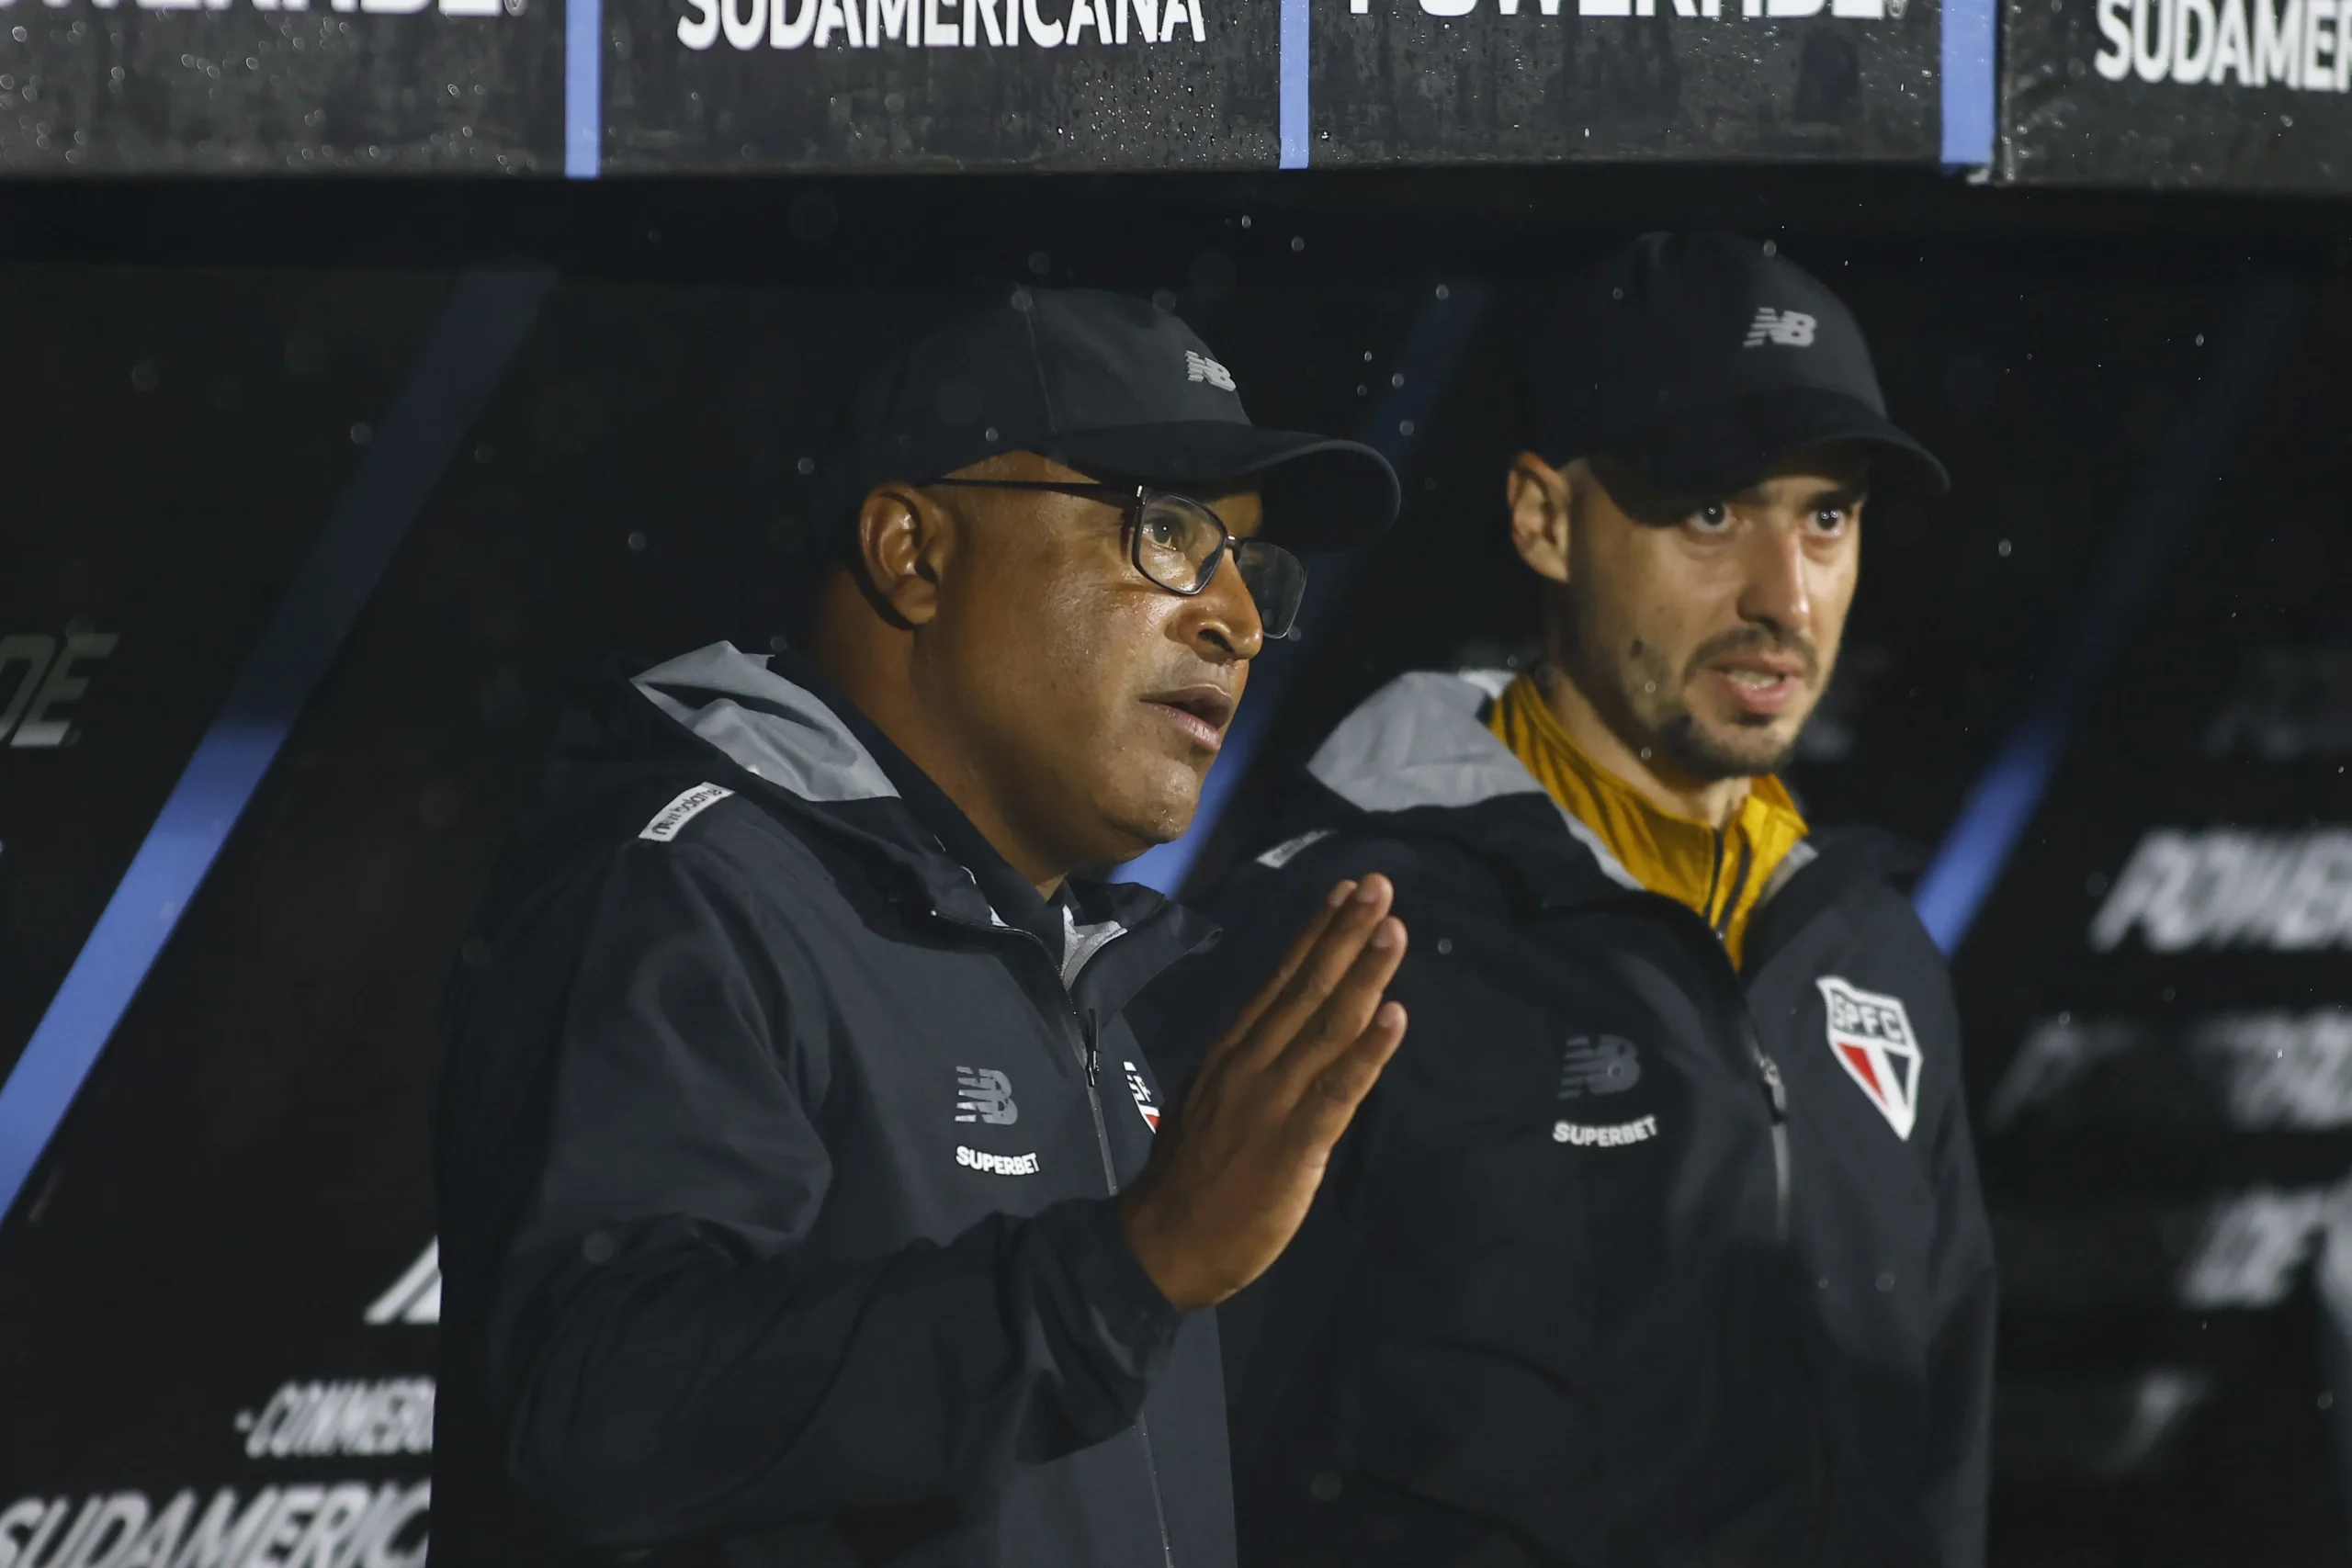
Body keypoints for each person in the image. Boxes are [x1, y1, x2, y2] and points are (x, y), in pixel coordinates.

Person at [427, 286, 1411, 1568]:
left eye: (1248, 565)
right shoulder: (686, 893)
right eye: (1166, 530)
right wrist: (1126, 1271)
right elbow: (599, 1417)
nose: (1233, 617)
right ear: (913, 551)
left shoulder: (1092, 970)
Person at [1137, 233, 1996, 1568]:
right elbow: (1184, 1460)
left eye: (1826, 515)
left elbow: (1938, 1462)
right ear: (1545, 518)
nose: (1784, 593)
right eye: (1711, 510)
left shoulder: (1875, 954)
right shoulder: (1347, 936)